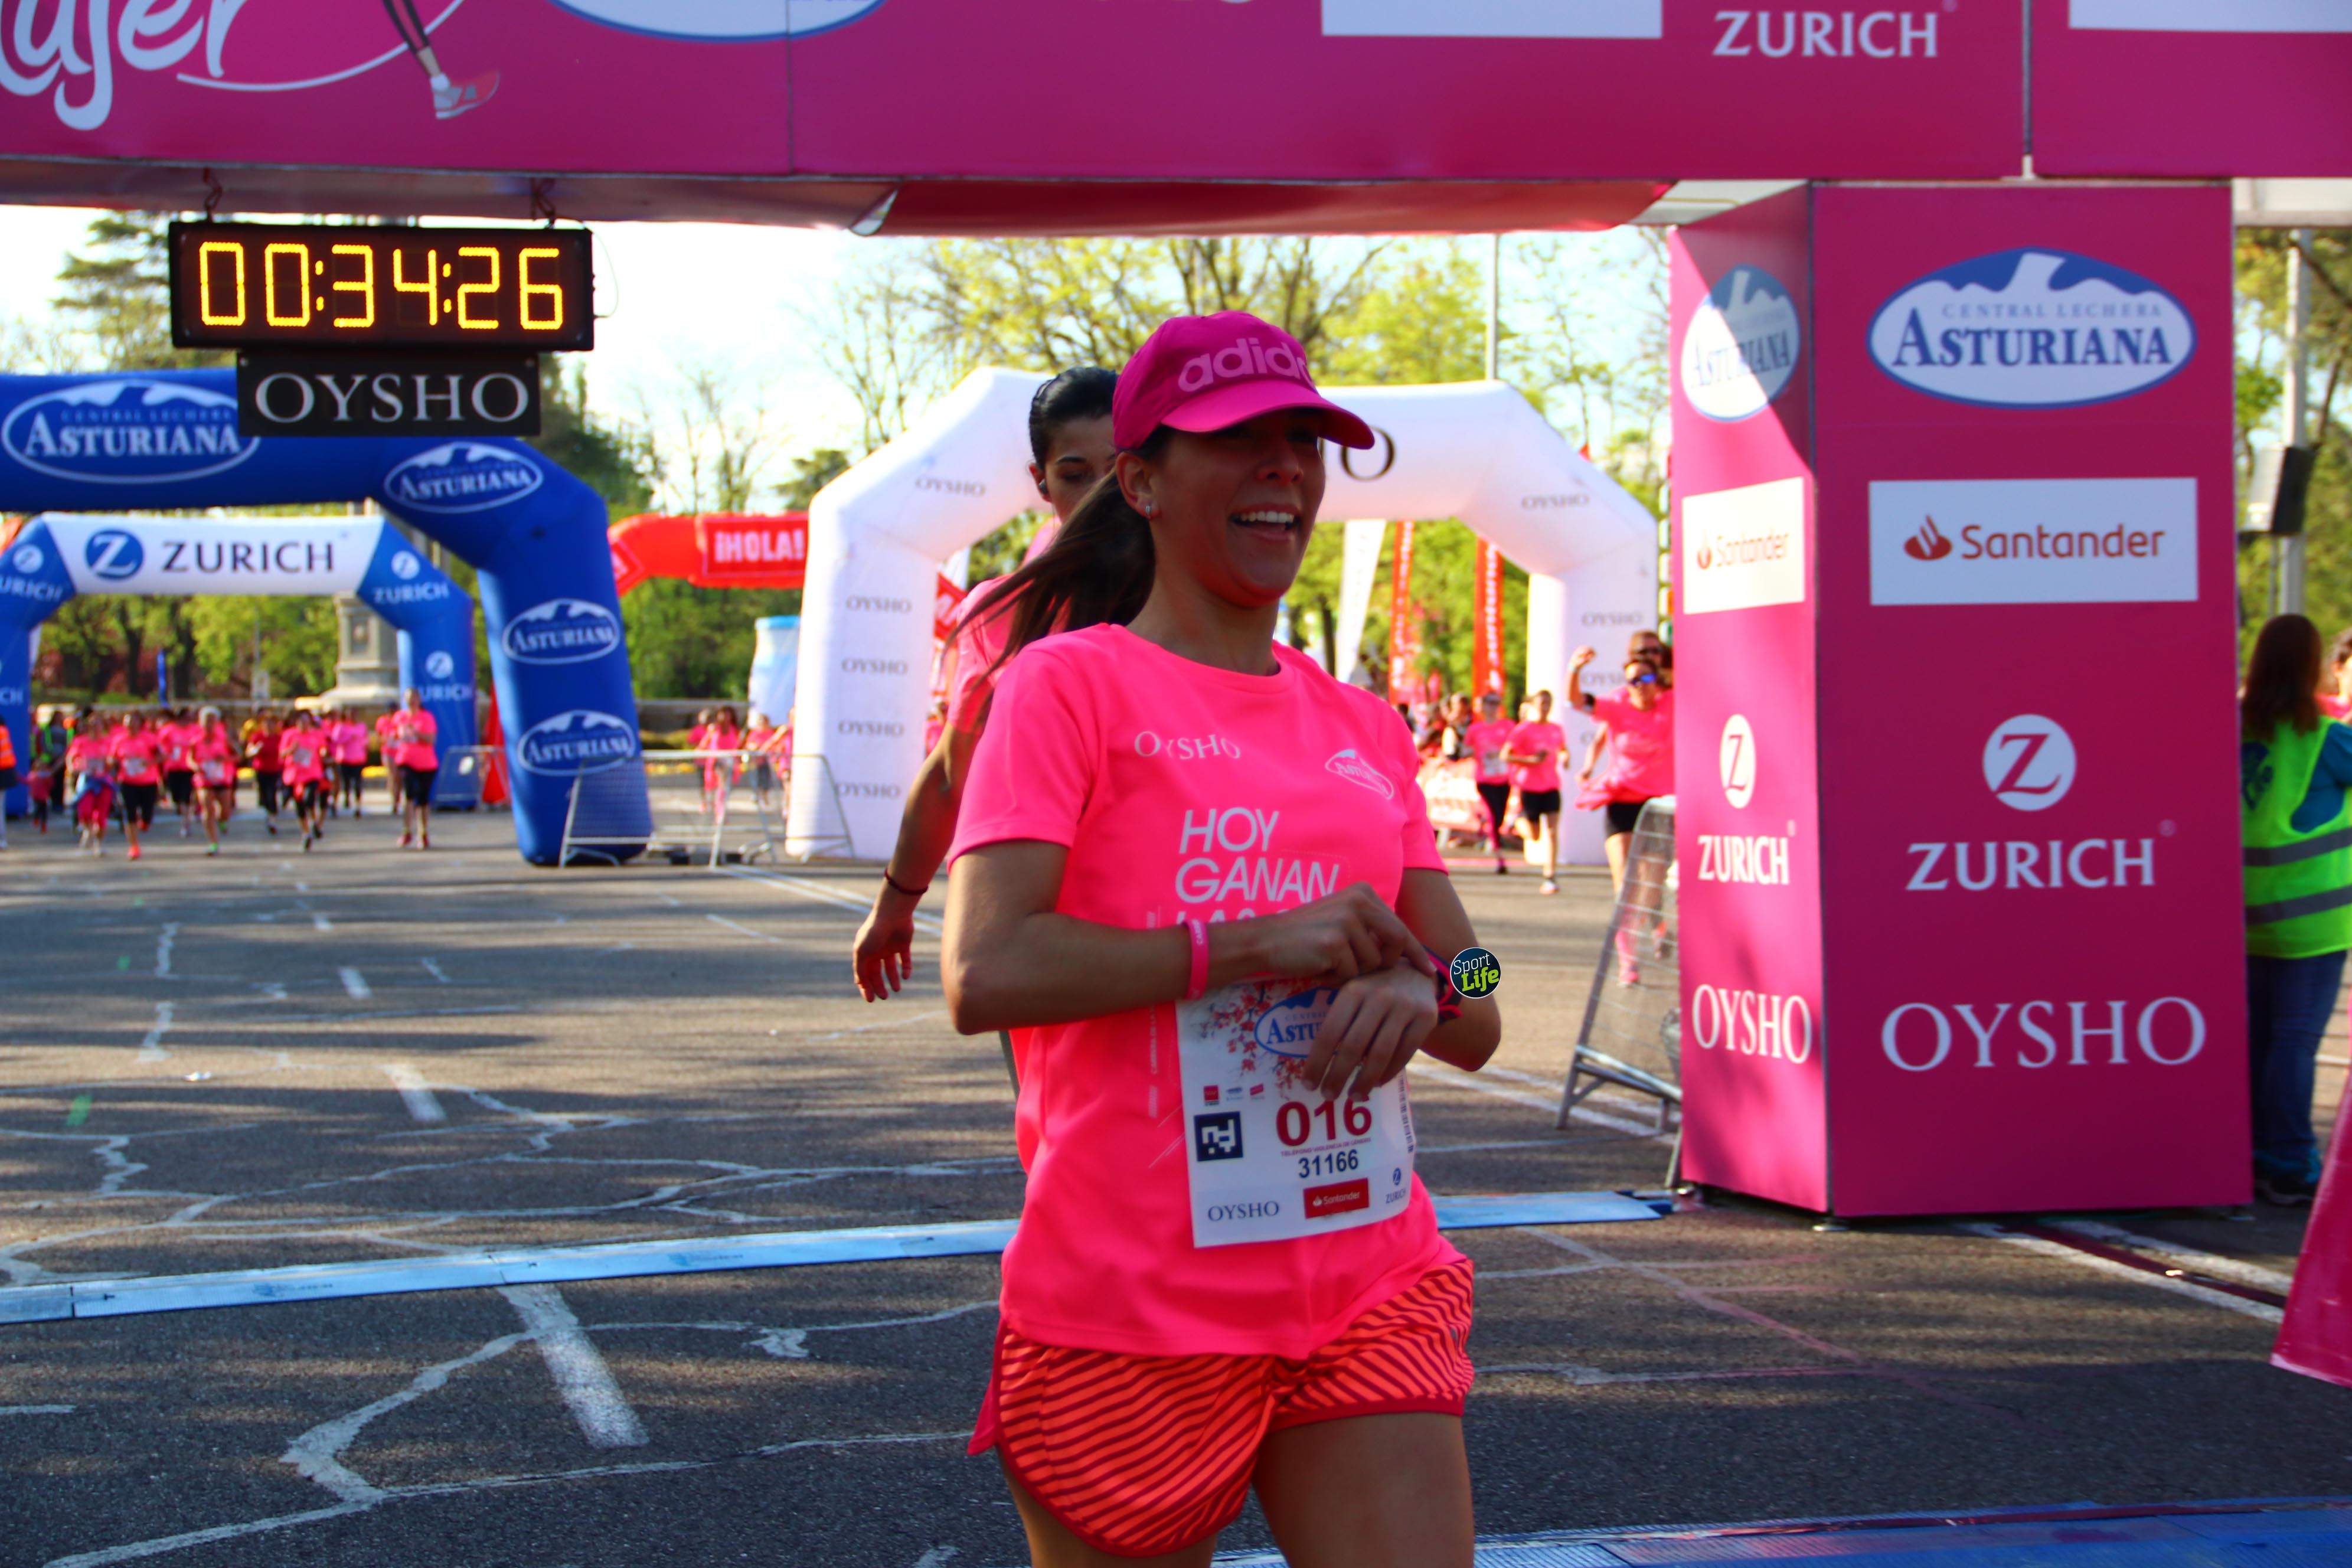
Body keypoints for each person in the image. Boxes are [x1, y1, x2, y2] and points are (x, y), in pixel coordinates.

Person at [941, 312, 1501, 1568]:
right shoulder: (1066, 685)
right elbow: (985, 971)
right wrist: (1245, 945)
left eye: (1303, 440)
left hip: (1367, 1278)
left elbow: (1486, 982)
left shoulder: (1363, 723)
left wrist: (1429, 980)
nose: (1284, 469)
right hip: (1129, 1300)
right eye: (1238, 440)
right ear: (1139, 480)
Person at [854, 366, 1120, 1007]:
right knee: (1065, 1108)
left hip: (1199, 908)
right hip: (1045, 934)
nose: (1099, 495)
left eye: (1117, 469)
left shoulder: (1210, 596)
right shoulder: (1002, 613)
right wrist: (896, 900)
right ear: (1041, 481)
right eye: (1074, 473)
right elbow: (953, 770)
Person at [2240, 615, 2352, 1206]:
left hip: (2241, 911)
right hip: (2310, 921)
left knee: (2256, 1038)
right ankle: (2286, 1159)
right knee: (2294, 1040)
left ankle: (2250, 1150)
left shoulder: (2232, 726)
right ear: (2314, 666)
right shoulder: (2326, 738)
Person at [1576, 654, 1675, 985]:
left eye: (1646, 679)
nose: (1640, 687)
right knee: (1625, 886)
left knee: (1652, 884)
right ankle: (1628, 963)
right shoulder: (1617, 706)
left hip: (1659, 805)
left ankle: (1656, 922)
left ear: (1656, 681)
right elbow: (1577, 701)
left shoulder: (1671, 704)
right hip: (1622, 803)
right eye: (1633, 680)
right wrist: (1575, 669)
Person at [1503, 688, 1566, 894]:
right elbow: (1506, 755)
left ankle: (1550, 875)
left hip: (1551, 785)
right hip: (1529, 786)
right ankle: (1516, 822)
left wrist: (1565, 757)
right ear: (1533, 705)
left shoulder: (1556, 729)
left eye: (1548, 702)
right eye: (1541, 703)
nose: (1545, 707)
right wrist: (1530, 760)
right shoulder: (1523, 730)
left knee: (1553, 831)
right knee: (1535, 835)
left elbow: (1563, 749)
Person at [1462, 691, 1518, 876]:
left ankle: (1486, 824)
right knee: (1493, 816)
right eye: (1490, 703)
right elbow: (1466, 749)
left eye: (1496, 703)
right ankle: (1499, 857)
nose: (1493, 707)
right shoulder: (1475, 729)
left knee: (1500, 818)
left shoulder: (1508, 726)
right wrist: (1470, 752)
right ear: (1483, 706)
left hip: (1503, 778)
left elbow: (1517, 745)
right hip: (1484, 780)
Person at [1565, 629, 1671, 715]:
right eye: (1643, 651)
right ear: (1631, 654)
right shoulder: (1620, 699)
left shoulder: (1674, 692)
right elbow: (1575, 703)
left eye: (1656, 651)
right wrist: (1574, 668)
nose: (1650, 656)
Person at [108, 708, 165, 861]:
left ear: (140, 723)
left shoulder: (149, 739)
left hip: (148, 781)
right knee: (129, 813)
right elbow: (112, 758)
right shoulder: (119, 740)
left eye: (133, 722)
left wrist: (150, 762)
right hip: (127, 781)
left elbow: (162, 755)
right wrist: (112, 763)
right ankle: (134, 846)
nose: (130, 726)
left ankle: (145, 822)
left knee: (147, 814)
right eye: (127, 723)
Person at [387, 688, 440, 850]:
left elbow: (431, 740)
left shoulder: (426, 717)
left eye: (414, 698)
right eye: (409, 699)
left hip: (426, 763)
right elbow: (392, 738)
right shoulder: (400, 717)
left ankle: (423, 832)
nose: (412, 701)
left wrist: (416, 733)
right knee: (409, 795)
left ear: (419, 700)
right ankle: (407, 831)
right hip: (406, 761)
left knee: (423, 800)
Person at [64, 709, 114, 857]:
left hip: (104, 781)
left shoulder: (108, 741)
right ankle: (88, 829)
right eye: (93, 724)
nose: (96, 727)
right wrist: (73, 768)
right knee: (85, 810)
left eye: (99, 724)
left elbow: (113, 758)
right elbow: (71, 757)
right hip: (87, 779)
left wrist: (110, 764)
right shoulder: (81, 741)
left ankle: (99, 843)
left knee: (102, 814)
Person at [280, 710, 331, 850]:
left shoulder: (316, 734)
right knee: (300, 805)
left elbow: (323, 749)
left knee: (310, 799)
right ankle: (306, 833)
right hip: (295, 775)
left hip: (312, 773)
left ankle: (314, 822)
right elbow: (282, 754)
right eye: (301, 720)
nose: (304, 723)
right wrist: (292, 749)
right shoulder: (290, 735)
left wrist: (323, 752)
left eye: (306, 720)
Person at [190, 708, 237, 856]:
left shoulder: (224, 739)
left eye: (212, 721)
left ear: (217, 722)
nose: (209, 724)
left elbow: (238, 756)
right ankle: (213, 843)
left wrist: (225, 759)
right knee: (207, 807)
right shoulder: (196, 740)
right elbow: (190, 758)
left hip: (222, 777)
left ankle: (222, 821)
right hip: (204, 778)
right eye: (206, 721)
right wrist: (195, 766)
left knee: (226, 810)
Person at [27, 705, 68, 835]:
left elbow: (68, 743)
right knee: (44, 781)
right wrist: (49, 754)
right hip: (49, 758)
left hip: (61, 758)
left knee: (58, 782)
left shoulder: (65, 730)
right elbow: (44, 742)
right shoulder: (47, 730)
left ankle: (57, 802)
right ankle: (43, 802)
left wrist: (63, 756)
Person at [244, 708, 285, 837]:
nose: (269, 726)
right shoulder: (257, 736)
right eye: (266, 723)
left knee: (271, 794)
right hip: (261, 770)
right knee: (263, 796)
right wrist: (256, 750)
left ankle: (272, 819)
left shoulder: (280, 738)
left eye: (272, 723)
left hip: (275, 770)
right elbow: (248, 752)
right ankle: (268, 813)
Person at [330, 707, 370, 816]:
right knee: (344, 782)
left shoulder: (362, 727)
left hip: (358, 759)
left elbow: (366, 740)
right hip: (344, 759)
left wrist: (365, 750)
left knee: (358, 783)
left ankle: (358, 805)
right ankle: (343, 799)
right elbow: (335, 740)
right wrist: (348, 738)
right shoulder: (341, 727)